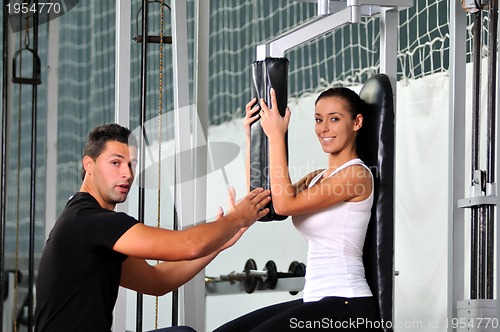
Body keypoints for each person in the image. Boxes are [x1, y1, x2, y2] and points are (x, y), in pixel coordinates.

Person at [34, 123, 271, 332]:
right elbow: (188, 245)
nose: (127, 174)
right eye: (115, 163)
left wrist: (219, 243)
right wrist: (236, 219)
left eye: (132, 164)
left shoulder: (86, 224)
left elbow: (156, 280)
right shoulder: (89, 220)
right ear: (89, 165)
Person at [215, 87, 378, 331]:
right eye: (318, 119)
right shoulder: (318, 177)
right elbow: (272, 204)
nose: (324, 128)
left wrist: (278, 136)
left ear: (357, 122)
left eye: (334, 119)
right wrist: (255, 138)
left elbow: (285, 203)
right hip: (315, 300)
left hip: (348, 305)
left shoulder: (356, 175)